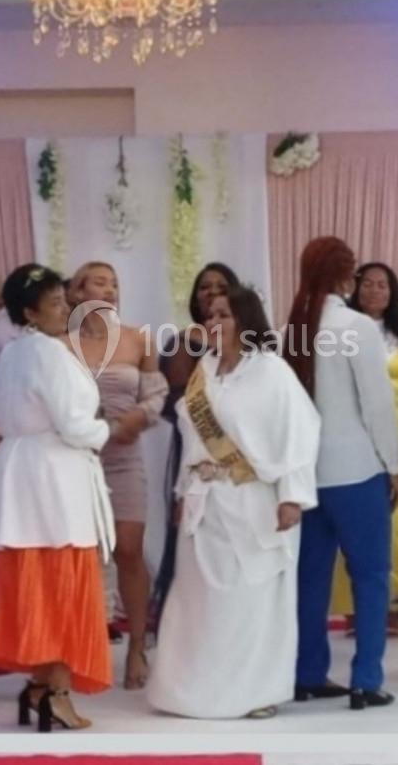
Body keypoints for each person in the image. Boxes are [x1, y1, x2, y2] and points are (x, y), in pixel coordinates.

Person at [148, 286, 320, 719]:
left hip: (253, 502)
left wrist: (293, 497)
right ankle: (189, 691)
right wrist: (180, 493)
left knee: (251, 603)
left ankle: (255, 693)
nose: (213, 322)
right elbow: (189, 435)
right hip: (204, 503)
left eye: (223, 315)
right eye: (210, 315)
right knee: (197, 604)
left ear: (245, 321)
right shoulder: (202, 372)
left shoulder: (273, 372)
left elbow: (300, 433)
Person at [0, 264, 114, 732]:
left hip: (24, 471)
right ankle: (55, 691)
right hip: (53, 475)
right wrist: (105, 428)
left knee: (35, 578)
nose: (65, 309)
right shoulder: (49, 354)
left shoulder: (13, 352)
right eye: (54, 303)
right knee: (60, 581)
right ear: (31, 312)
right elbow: (75, 425)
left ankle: (37, 685)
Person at [286, 236, 398, 710]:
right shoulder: (356, 326)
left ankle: (308, 672)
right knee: (371, 577)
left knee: (310, 579)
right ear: (345, 277)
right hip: (356, 470)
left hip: (304, 473)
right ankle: (365, 680)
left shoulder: (289, 327)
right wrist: (393, 464)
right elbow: (376, 406)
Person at [67, 262, 166, 689]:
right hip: (77, 459)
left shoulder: (138, 338)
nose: (110, 290)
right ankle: (80, 647)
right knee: (82, 556)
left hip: (125, 454)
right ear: (76, 292)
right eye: (100, 282)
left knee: (129, 548)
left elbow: (157, 393)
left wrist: (139, 418)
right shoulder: (61, 344)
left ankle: (138, 647)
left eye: (115, 283)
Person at [150, 262, 242, 622]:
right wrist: (217, 439)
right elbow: (176, 403)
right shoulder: (183, 342)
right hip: (198, 455)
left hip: (244, 462)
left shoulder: (250, 343)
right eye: (205, 287)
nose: (213, 292)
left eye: (221, 286)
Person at [333, 262, 398, 632]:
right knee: (358, 519)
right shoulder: (344, 331)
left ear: (392, 292)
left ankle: (396, 605)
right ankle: (355, 606)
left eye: (382, 285)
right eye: (367, 284)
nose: (374, 291)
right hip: (356, 433)